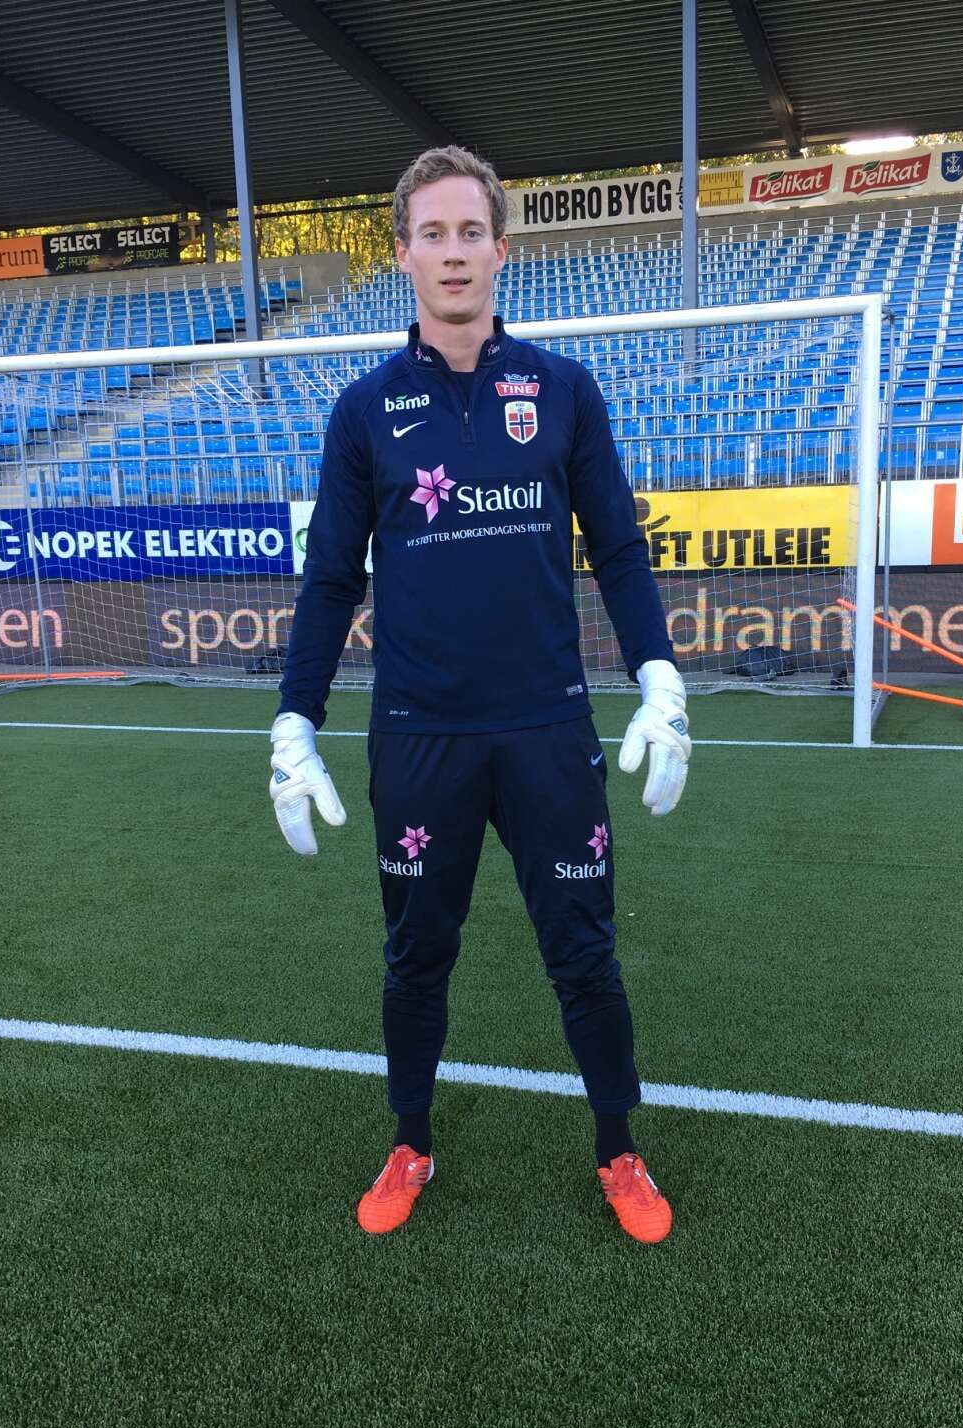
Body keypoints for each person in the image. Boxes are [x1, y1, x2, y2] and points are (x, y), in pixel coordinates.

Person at [269, 145, 691, 1243]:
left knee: (584, 951)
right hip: (420, 737)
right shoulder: (365, 411)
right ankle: (411, 1139)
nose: (452, 252)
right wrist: (294, 720)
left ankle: (619, 1149)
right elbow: (330, 579)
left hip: (548, 728)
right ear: (403, 253)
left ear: (501, 249)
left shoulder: (563, 390)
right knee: (416, 955)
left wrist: (659, 675)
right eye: (432, 234)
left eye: (470, 232)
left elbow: (619, 547)